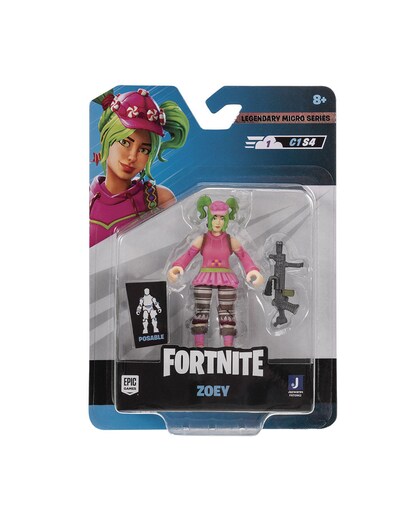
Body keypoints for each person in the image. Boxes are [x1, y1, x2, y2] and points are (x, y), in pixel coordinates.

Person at [90, 88, 189, 246]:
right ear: (106, 138)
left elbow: (175, 249)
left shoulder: (159, 199)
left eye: (144, 150)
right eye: (125, 142)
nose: (132, 156)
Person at [168, 195, 263, 347]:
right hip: (205, 276)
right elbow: (189, 254)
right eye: (214, 218)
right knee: (201, 310)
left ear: (226, 220)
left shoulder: (230, 240)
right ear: (209, 218)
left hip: (226, 277)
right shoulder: (202, 239)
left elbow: (243, 255)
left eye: (221, 218)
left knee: (227, 312)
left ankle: (228, 346)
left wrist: (252, 270)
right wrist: (178, 266)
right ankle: (199, 346)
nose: (218, 222)